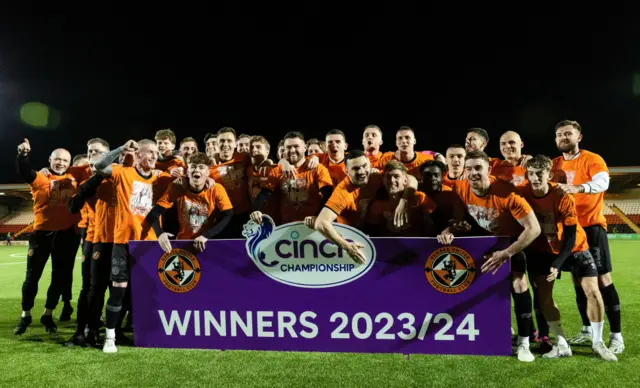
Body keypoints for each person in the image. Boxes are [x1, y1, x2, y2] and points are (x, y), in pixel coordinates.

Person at [438, 150, 541, 362]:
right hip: (483, 243)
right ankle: (486, 332)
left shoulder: (508, 193)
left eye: (478, 168)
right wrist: (450, 230)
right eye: (469, 169)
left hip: (510, 243)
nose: (473, 173)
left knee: (519, 284)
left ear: (489, 169)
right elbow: (461, 220)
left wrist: (507, 253)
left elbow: (533, 229)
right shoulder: (461, 188)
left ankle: (523, 343)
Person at [519, 155, 617, 361]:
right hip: (542, 250)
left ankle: (597, 343)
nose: (535, 178)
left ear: (549, 174)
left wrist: (558, 263)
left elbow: (571, 235)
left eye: (540, 173)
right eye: (531, 174)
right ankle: (561, 343)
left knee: (592, 290)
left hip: (574, 247)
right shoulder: (521, 194)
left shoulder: (562, 195)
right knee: (544, 297)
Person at [93, 139, 173, 353]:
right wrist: (121, 149)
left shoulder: (161, 178)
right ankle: (109, 337)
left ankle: (148, 333)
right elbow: (99, 166)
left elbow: (190, 180)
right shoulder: (123, 173)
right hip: (123, 242)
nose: (155, 156)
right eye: (150, 152)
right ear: (138, 155)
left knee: (148, 290)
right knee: (118, 290)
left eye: (157, 152)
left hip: (149, 244)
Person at [552, 120, 623, 354]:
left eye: (568, 133)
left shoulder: (592, 159)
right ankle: (586, 330)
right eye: (559, 134)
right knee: (577, 281)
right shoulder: (554, 164)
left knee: (603, 281)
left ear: (578, 136)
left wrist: (578, 188)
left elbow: (603, 182)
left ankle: (616, 336)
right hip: (569, 231)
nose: (563, 137)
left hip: (591, 228)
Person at [14, 139, 83, 335]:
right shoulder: (40, 178)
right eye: (57, 159)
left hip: (67, 236)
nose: (61, 163)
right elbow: (25, 172)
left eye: (65, 160)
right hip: (41, 235)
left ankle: (48, 314)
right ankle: (25, 315)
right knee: (31, 278)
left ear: (70, 163)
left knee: (59, 278)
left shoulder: (75, 179)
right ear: (50, 160)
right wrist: (23, 156)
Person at [146, 152, 233, 252]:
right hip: (183, 243)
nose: (197, 170)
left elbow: (228, 215)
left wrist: (206, 236)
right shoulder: (177, 187)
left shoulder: (216, 189)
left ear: (208, 172)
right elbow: (152, 215)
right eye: (193, 167)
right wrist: (160, 234)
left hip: (208, 243)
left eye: (201, 167)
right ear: (187, 171)